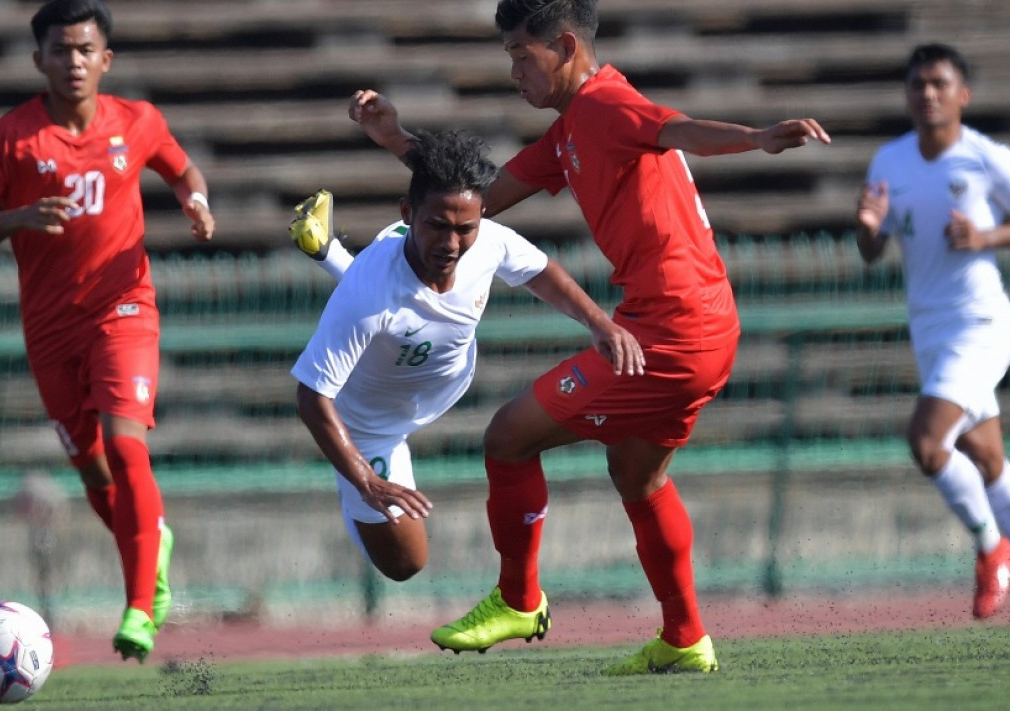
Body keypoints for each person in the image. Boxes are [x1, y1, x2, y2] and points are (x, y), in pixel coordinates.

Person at [350, 0, 829, 674]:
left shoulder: (605, 105)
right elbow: (476, 200)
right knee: (638, 475)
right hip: (697, 323)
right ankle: (685, 635)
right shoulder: (571, 129)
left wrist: (754, 138)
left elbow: (677, 129)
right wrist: (397, 139)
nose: (514, 72)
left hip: (673, 331)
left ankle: (518, 598)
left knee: (508, 437)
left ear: (565, 45)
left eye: (522, 55)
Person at [0, 0, 214, 662]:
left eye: (85, 50)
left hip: (123, 308)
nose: (73, 61)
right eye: (60, 50)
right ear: (39, 59)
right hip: (48, 330)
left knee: (126, 448)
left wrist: (196, 201)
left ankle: (139, 604)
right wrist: (17, 217)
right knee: (94, 471)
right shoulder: (12, 138)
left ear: (106, 59)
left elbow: (181, 167)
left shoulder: (138, 120)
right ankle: (153, 539)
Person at [289, 129, 643, 584]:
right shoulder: (365, 298)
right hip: (369, 426)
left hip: (438, 382)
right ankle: (327, 252)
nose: (451, 244)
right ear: (407, 215)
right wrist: (363, 478)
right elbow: (311, 396)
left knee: (402, 310)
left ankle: (324, 249)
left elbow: (539, 271)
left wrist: (599, 323)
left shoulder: (489, 241)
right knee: (406, 564)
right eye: (436, 225)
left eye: (464, 228)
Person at [856, 43, 1010, 636]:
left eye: (938, 83)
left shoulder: (985, 158)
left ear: (963, 94)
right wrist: (869, 232)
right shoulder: (889, 160)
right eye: (917, 84)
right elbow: (872, 251)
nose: (926, 93)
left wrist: (985, 238)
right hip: (928, 327)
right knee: (985, 458)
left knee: (928, 442)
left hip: (979, 324)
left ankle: (991, 546)